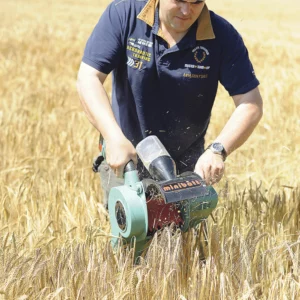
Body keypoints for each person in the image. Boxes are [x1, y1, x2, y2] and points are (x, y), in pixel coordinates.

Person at [77, 0, 263, 206]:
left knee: (185, 237)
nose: (186, 11)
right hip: (125, 157)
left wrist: (218, 150)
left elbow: (250, 101)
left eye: (196, 2)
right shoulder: (123, 14)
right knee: (130, 234)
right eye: (179, 0)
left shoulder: (223, 35)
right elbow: (88, 78)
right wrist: (112, 137)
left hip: (186, 167)